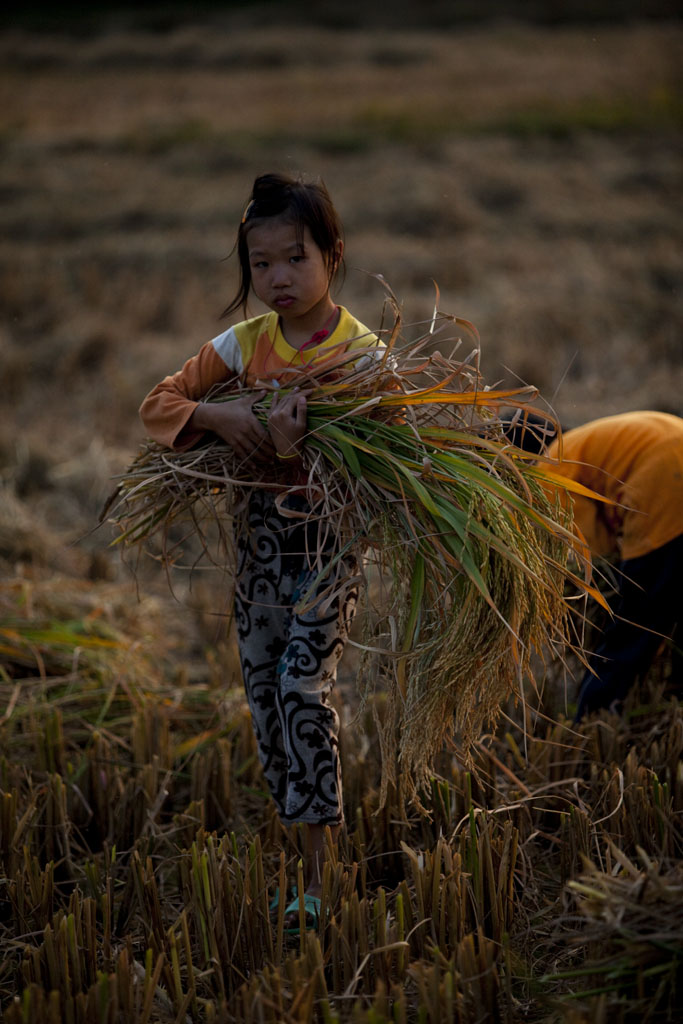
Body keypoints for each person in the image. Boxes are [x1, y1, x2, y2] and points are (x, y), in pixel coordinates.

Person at [139, 172, 384, 930]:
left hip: (327, 547)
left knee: (301, 691)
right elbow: (158, 405)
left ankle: (320, 875)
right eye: (260, 264)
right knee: (266, 704)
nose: (277, 278)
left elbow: (386, 468)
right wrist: (215, 415)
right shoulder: (241, 344)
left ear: (332, 257)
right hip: (260, 552)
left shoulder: (362, 357)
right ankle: (306, 845)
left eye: (295, 259)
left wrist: (296, 449)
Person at [539, 411, 683, 719]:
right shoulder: (584, 441)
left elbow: (592, 554)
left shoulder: (548, 466)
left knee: (636, 619)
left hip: (663, 482)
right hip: (673, 453)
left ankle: (592, 714)